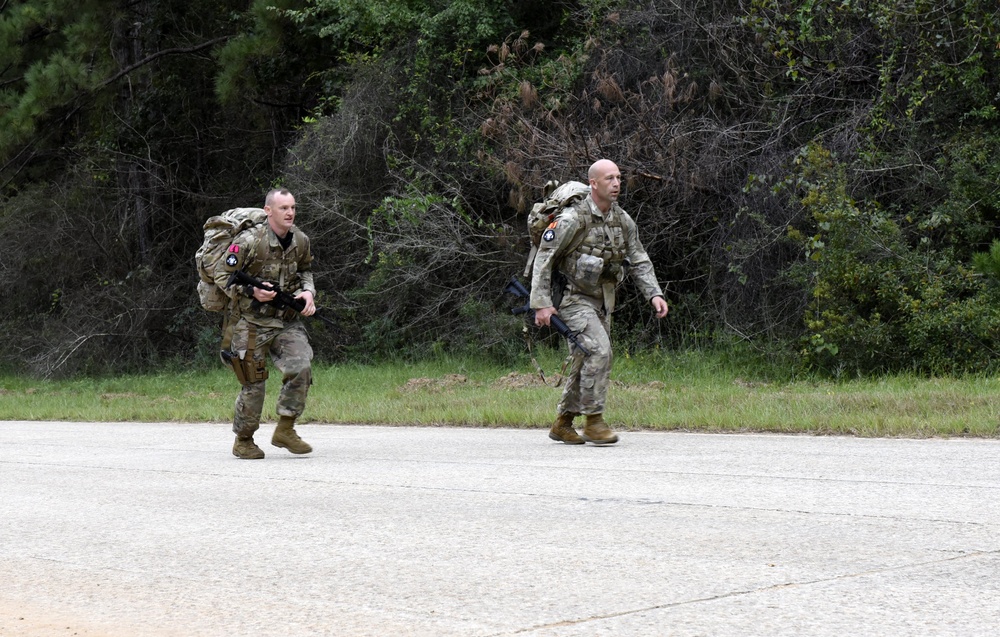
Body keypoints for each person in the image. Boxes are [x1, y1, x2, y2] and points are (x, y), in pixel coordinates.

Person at [531, 159, 669, 445]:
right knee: (600, 351)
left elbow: (639, 258)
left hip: (602, 299)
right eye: (609, 178)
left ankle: (563, 422)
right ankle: (594, 421)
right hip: (570, 298)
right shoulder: (572, 219)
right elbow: (543, 259)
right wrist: (542, 304)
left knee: (586, 357)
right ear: (594, 183)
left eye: (618, 178)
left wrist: (654, 293)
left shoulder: (622, 219)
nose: (616, 183)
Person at [214, 188, 318, 459]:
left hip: (285, 321)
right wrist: (253, 291)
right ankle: (244, 440)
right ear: (268, 210)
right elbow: (222, 275)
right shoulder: (249, 241)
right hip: (250, 323)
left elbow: (306, 270)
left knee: (301, 365)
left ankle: (285, 428)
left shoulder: (301, 240)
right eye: (284, 208)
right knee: (253, 382)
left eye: (293, 207)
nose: (290, 213)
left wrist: (308, 292)